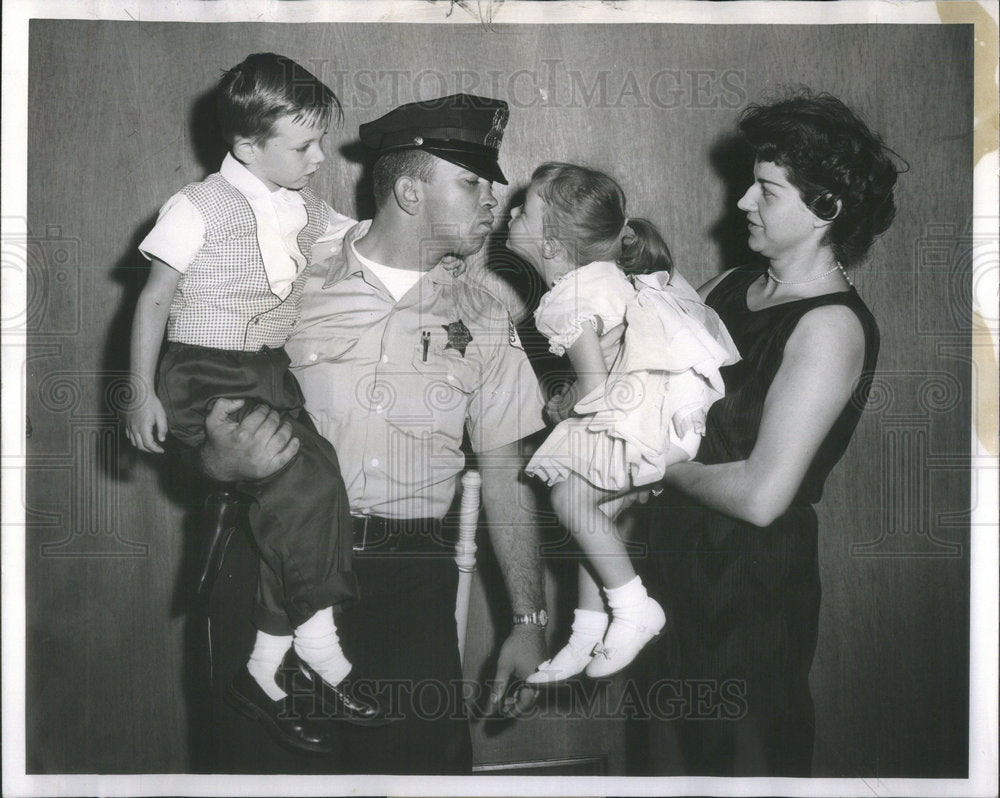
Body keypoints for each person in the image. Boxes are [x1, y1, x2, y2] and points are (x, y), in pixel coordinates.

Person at [197, 93, 549, 774]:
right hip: (276, 565)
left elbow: (505, 472)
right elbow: (196, 412)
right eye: (472, 183)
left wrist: (528, 620)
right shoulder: (287, 279)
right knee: (263, 779)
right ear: (411, 192)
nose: (492, 202)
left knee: (420, 774)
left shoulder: (484, 319)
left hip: (409, 587)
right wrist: (215, 459)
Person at [124, 52, 385, 754]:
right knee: (298, 487)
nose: (320, 156)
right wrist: (141, 390)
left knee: (320, 483)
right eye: (304, 146)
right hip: (205, 374)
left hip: (267, 372)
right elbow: (154, 298)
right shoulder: (196, 206)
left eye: (320, 141)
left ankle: (264, 668)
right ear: (247, 145)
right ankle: (321, 647)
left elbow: (359, 243)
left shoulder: (304, 206)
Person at [642, 90, 899, 776]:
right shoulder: (729, 284)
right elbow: (660, 389)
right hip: (675, 565)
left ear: (827, 209)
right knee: (668, 760)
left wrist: (655, 461)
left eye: (766, 190)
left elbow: (762, 495)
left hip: (748, 590)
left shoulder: (831, 326)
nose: (742, 205)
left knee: (736, 762)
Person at [504, 163, 740, 684]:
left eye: (525, 210)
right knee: (591, 516)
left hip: (638, 418)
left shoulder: (571, 296)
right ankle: (588, 630)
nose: (512, 212)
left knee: (568, 498)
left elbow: (593, 387)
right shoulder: (599, 279)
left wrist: (564, 405)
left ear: (551, 246)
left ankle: (634, 610)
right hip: (658, 414)